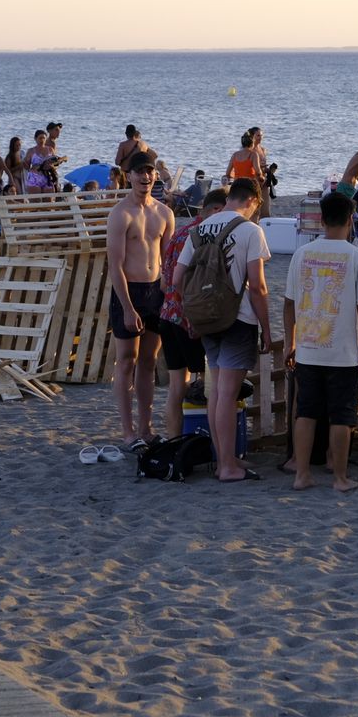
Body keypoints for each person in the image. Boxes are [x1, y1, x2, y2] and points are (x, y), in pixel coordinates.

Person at [172, 177, 270, 483]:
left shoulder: (199, 229)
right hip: (237, 318)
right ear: (253, 200)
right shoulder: (251, 231)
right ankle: (227, 466)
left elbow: (177, 279)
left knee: (217, 391)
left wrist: (193, 313)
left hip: (206, 319)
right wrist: (266, 328)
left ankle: (222, 459)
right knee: (227, 393)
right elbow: (258, 286)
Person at [283, 191, 358, 493]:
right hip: (342, 353)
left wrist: (289, 342)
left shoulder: (301, 254)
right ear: (351, 219)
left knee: (306, 412)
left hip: (309, 349)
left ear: (321, 220)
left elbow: (288, 304)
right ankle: (339, 478)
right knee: (342, 415)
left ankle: (301, 474)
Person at [106, 153, 175, 452]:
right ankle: (127, 431)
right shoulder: (121, 214)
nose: (145, 177)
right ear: (128, 175)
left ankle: (146, 428)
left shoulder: (164, 213)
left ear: (155, 176)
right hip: (128, 292)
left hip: (154, 292)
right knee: (126, 363)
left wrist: (169, 293)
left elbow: (168, 261)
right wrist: (129, 308)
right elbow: (115, 266)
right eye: (139, 172)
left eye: (149, 172)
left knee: (148, 362)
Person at [158, 188, 225, 439]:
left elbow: (165, 284)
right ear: (216, 211)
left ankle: (175, 441)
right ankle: (209, 442)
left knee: (177, 387)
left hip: (167, 316)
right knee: (209, 386)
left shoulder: (179, 233)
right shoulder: (206, 237)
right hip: (189, 320)